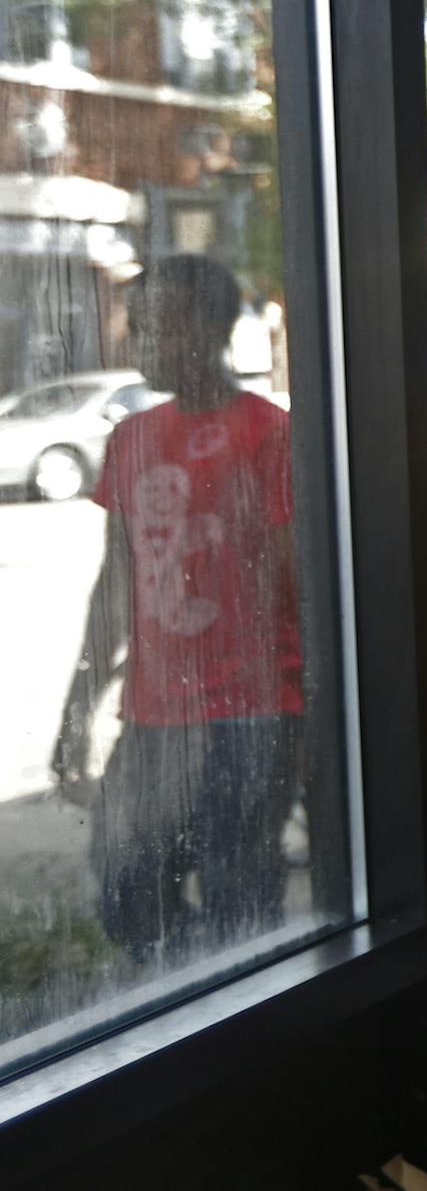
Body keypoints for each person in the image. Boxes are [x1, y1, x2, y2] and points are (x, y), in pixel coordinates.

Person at [51, 254, 303, 961]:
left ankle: (245, 1011)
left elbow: (296, 581)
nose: (146, 342)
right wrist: (78, 708)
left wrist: (313, 719)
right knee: (124, 881)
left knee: (238, 896)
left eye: (163, 325)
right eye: (139, 326)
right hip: (156, 713)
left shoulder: (267, 431)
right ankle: (190, 989)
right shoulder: (130, 438)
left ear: (214, 329)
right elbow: (116, 582)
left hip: (252, 711)